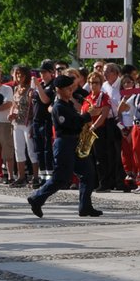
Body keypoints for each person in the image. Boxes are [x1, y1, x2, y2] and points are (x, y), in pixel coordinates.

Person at [27, 74, 104, 218]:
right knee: (61, 177)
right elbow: (71, 124)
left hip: (74, 142)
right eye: (67, 89)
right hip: (64, 144)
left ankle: (85, 206)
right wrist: (88, 116)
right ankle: (37, 198)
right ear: (58, 90)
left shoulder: (68, 104)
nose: (70, 91)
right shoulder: (58, 107)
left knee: (88, 173)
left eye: (71, 88)